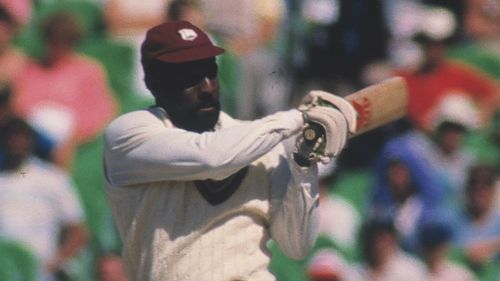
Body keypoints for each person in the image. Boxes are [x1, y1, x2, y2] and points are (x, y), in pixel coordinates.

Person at [103, 20, 357, 280]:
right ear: (152, 81)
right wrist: (300, 118)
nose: (207, 88)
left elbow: (296, 245)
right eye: (189, 77)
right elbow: (212, 157)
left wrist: (303, 164)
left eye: (210, 73)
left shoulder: (261, 139)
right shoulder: (128, 134)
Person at [12, 11, 118, 169]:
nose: (58, 47)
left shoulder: (89, 70)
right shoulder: (28, 68)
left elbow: (100, 111)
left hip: (70, 138)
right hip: (31, 137)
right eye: (53, 40)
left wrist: (73, 139)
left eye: (65, 41)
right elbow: (18, 106)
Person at [0, 118, 88, 281]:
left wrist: (56, 261)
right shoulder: (2, 180)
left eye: (21, 138)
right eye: (10, 138)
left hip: (40, 272)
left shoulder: (52, 178)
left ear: (30, 141)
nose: (16, 144)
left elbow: (78, 232)